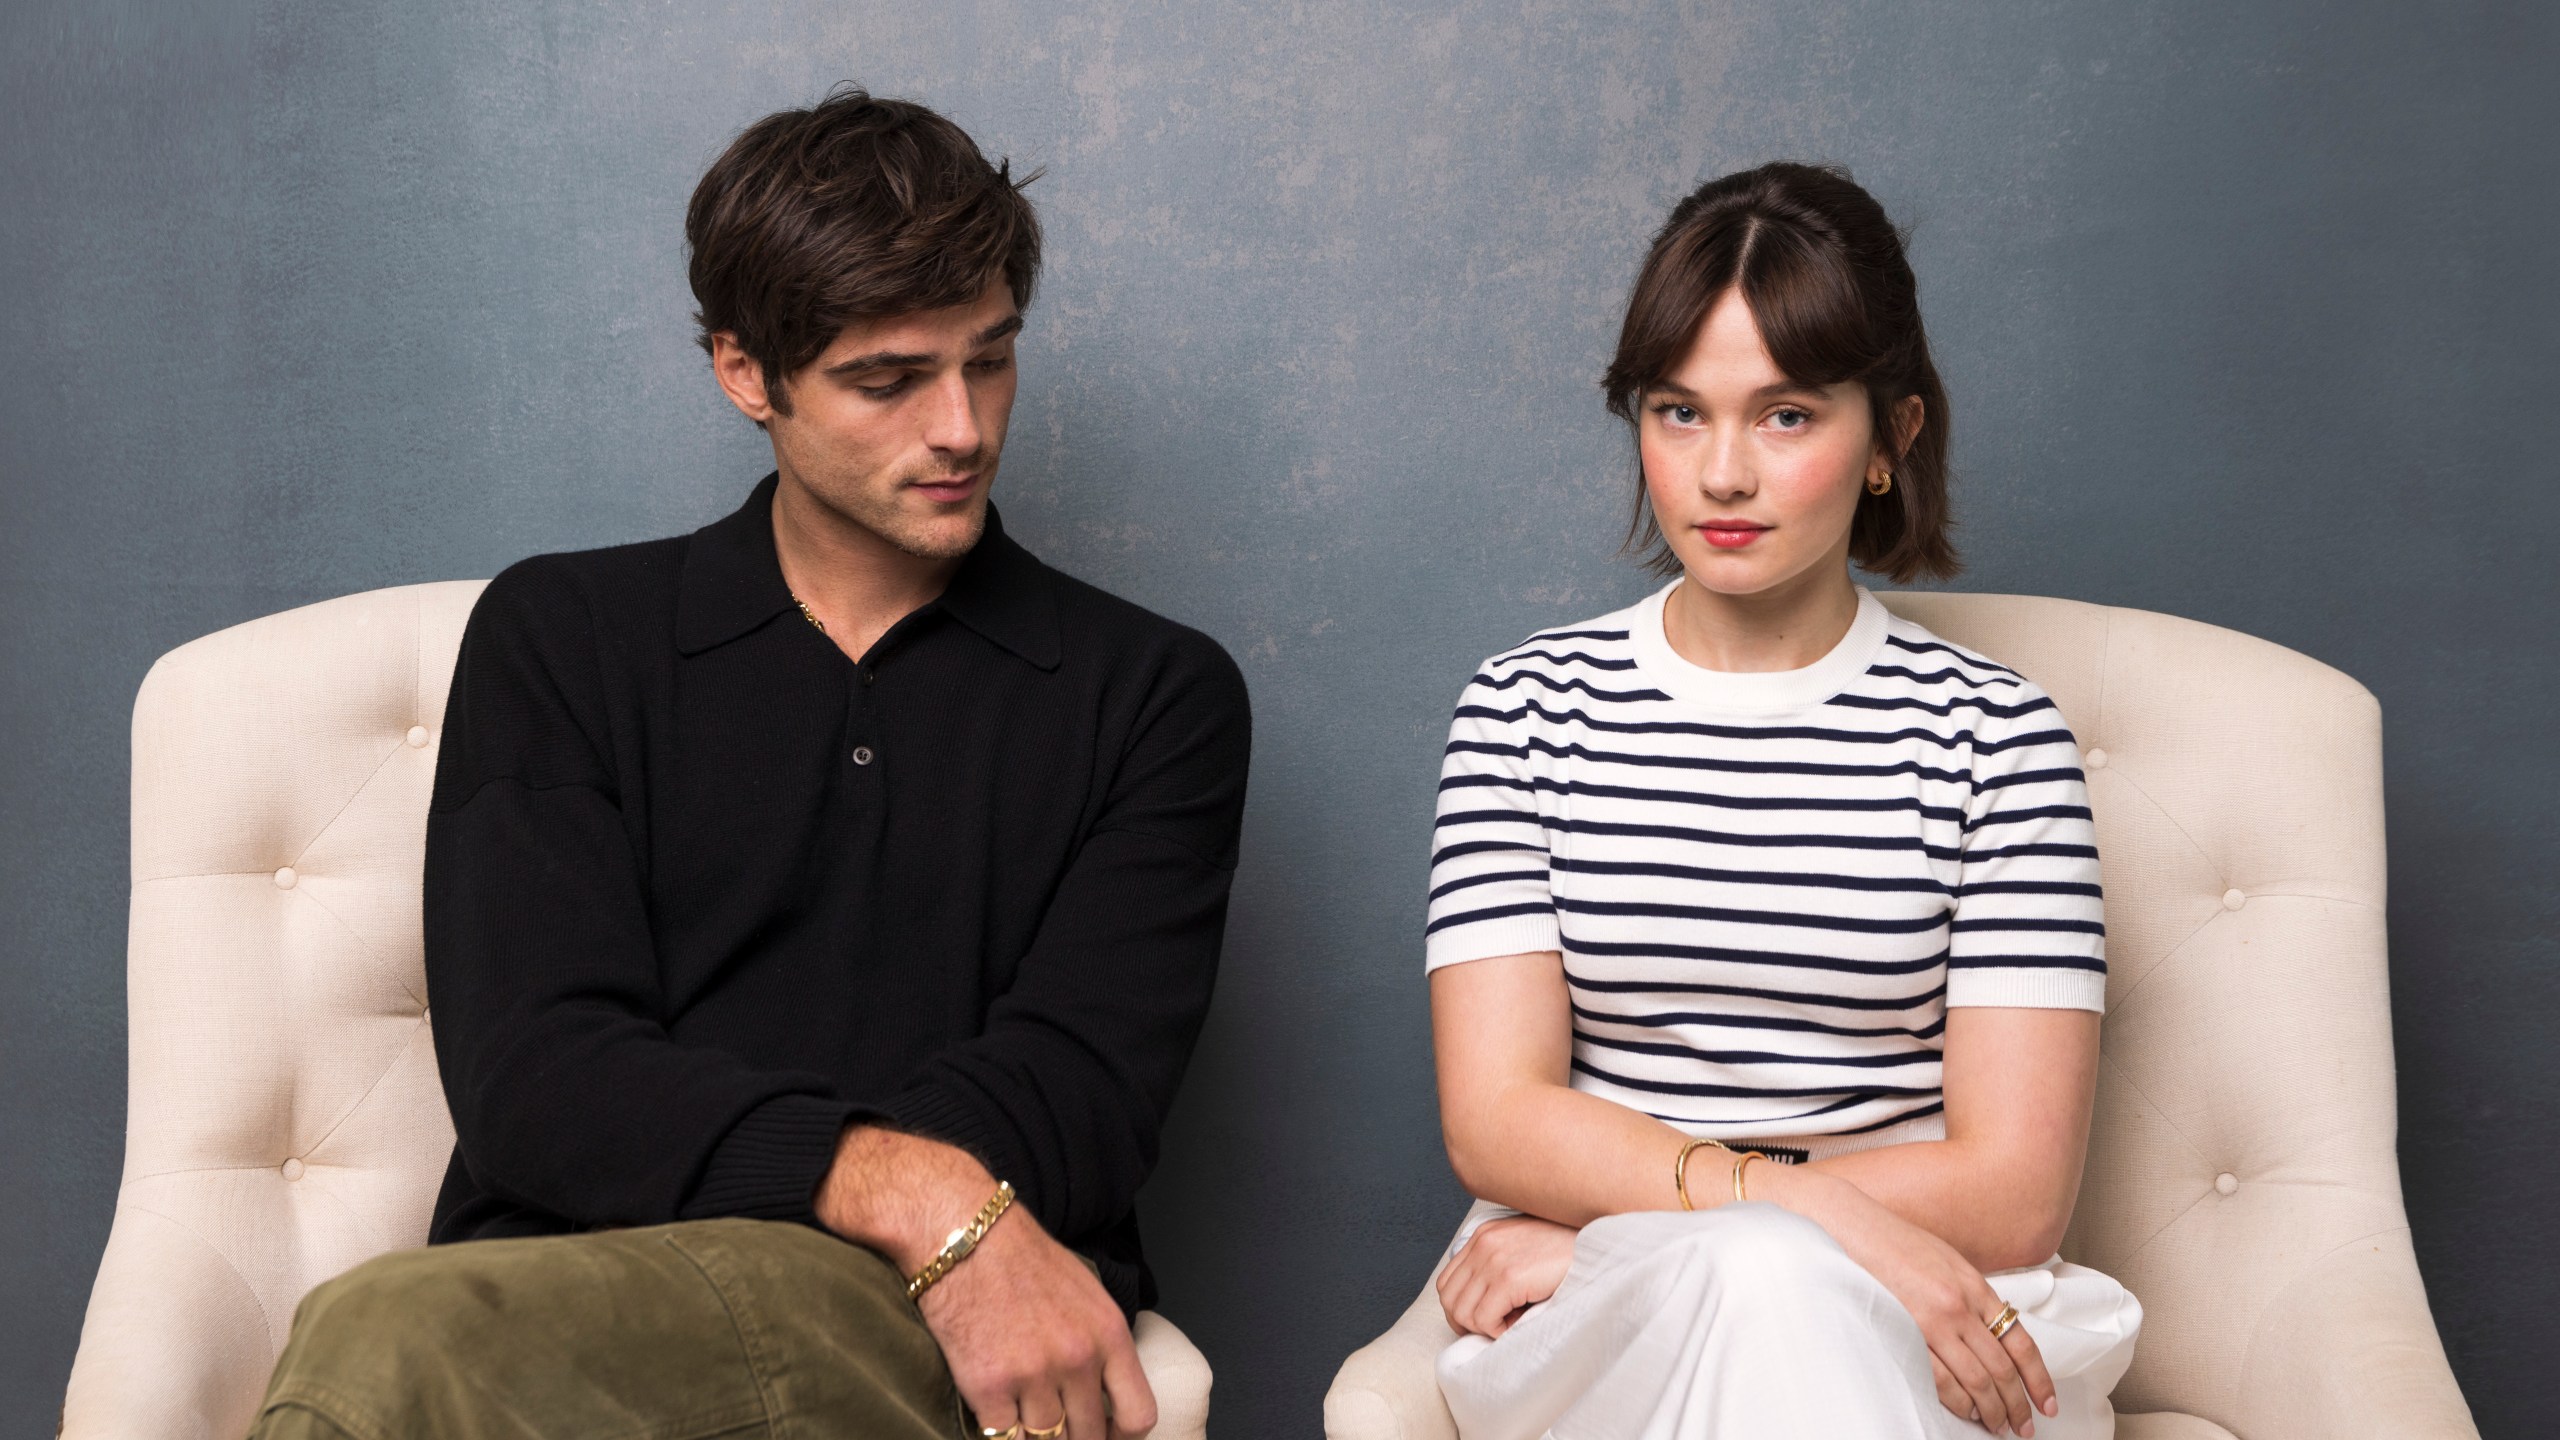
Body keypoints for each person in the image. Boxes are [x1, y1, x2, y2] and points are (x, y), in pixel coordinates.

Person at [247, 89, 1250, 1440]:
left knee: (378, 1346)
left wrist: (907, 1218)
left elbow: (1079, 1093)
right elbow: (537, 1079)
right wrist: (913, 1187)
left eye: (991, 358)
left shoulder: (1152, 694)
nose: (960, 427)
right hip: (565, 1295)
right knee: (403, 1342)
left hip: (922, 1316)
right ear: (744, 372)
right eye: (888, 380)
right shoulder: (565, 639)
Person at [1422, 163, 2141, 1439]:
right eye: (1678, 412)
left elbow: (2019, 1189)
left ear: (1893, 438)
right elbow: (1496, 1119)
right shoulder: (1525, 709)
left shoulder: (1997, 736)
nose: (1722, 473)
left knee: (1768, 1285)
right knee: (1755, 1276)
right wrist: (1755, 1223)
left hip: (1927, 1308)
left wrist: (1677, 1223)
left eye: (1788, 416)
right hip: (1596, 1307)